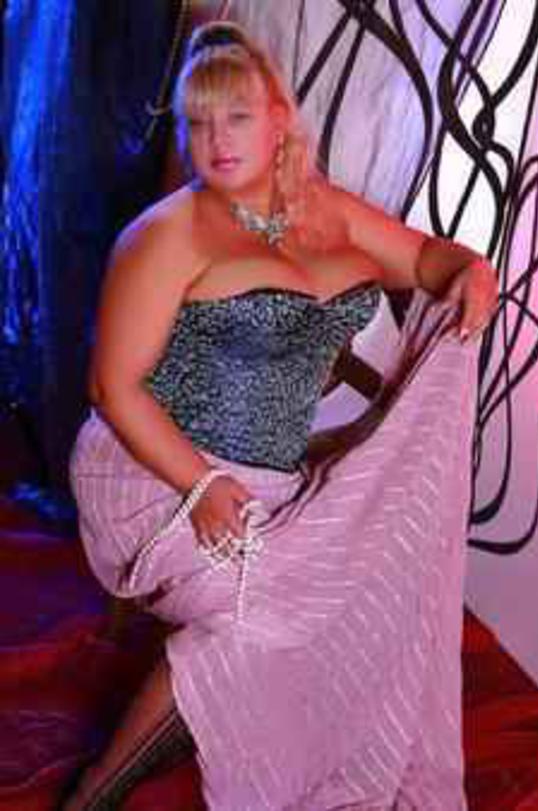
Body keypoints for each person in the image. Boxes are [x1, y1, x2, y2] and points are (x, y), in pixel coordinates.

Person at [64, 20, 497, 811]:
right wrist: (200, 485)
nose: (216, 140)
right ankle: (95, 792)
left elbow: (425, 259)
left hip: (272, 482)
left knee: (359, 603)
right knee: (266, 621)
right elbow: (111, 388)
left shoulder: (327, 210)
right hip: (157, 473)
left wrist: (472, 269)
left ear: (277, 119)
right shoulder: (165, 235)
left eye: (235, 116)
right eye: (198, 121)